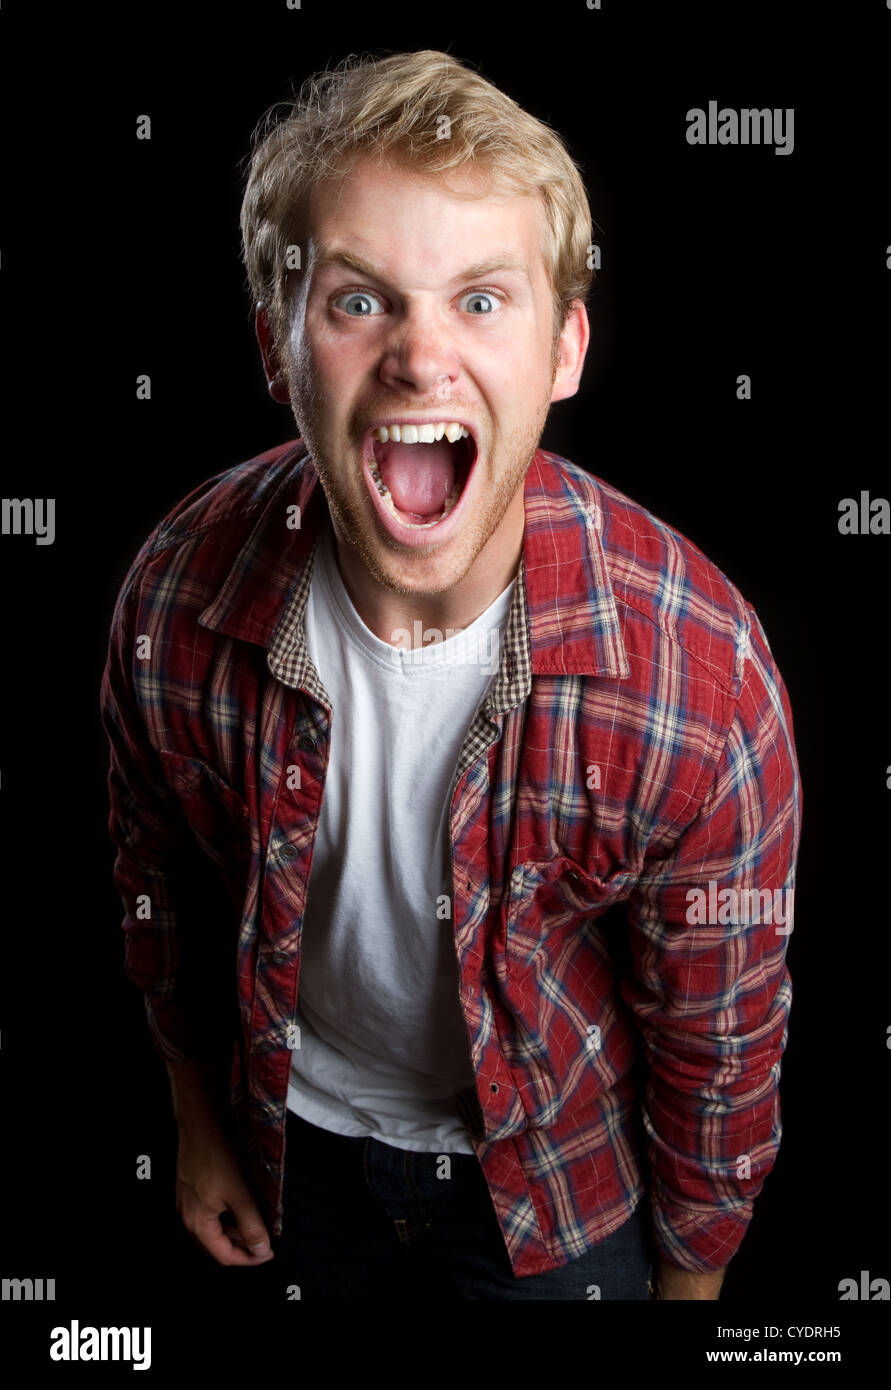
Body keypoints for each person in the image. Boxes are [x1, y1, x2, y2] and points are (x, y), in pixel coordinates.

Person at [100, 49, 801, 1301]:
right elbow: (152, 874)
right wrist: (193, 1111)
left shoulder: (700, 674)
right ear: (278, 347)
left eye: (483, 300)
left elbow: (722, 1040)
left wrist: (689, 1295)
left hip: (557, 1189)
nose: (422, 360)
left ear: (565, 349)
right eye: (360, 300)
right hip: (287, 1152)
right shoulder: (177, 594)